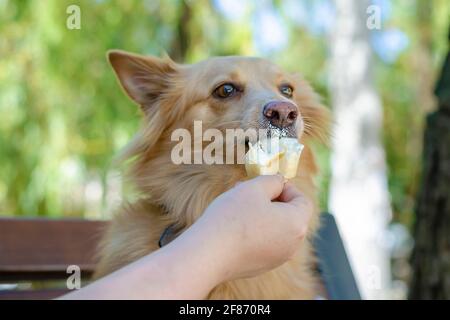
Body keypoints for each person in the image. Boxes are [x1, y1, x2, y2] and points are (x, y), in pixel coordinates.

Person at [61, 174, 313, 299]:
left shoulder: (296, 263)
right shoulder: (131, 251)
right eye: (225, 91)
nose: (280, 107)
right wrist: (223, 244)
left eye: (285, 91)